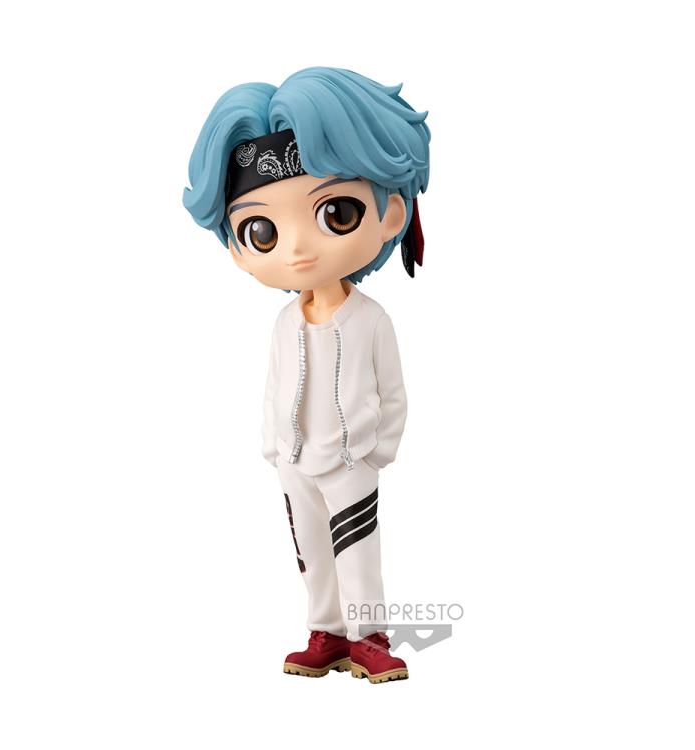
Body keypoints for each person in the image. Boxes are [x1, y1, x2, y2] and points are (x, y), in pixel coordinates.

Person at [183, 66, 430, 683]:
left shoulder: (370, 319)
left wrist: (377, 448)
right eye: (262, 230)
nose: (296, 249)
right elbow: (274, 386)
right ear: (237, 245)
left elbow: (394, 392)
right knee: (311, 549)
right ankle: (327, 630)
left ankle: (369, 635)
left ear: (390, 213)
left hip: (351, 457)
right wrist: (275, 447)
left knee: (358, 549)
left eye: (336, 213)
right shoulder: (284, 322)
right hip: (295, 457)